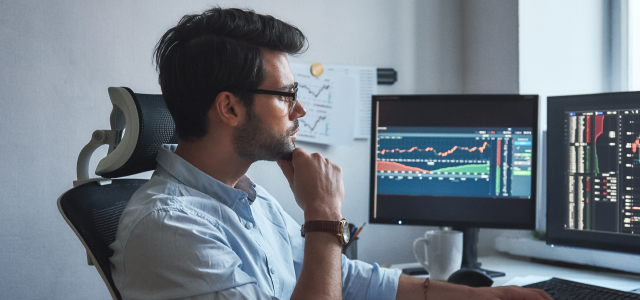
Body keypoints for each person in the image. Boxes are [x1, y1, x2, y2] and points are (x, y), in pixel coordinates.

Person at [109, 7, 552, 300]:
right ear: (229, 107)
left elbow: (353, 278)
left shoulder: (247, 200)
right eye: (286, 95)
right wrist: (322, 215)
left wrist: (487, 296)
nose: (300, 109)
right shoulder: (170, 227)